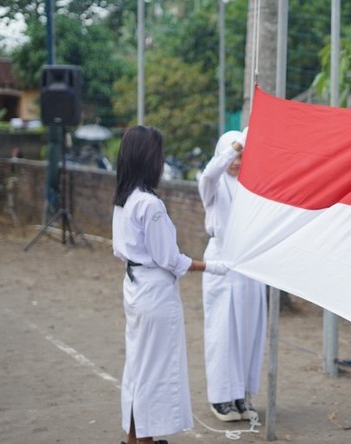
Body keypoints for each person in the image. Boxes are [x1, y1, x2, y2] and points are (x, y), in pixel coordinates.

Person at [112, 125, 228, 444]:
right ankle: (144, 440)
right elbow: (171, 259)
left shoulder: (124, 199)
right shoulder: (150, 205)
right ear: (150, 160)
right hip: (153, 292)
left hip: (136, 287)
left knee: (138, 367)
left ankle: (134, 438)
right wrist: (215, 267)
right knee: (152, 370)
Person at [197, 128, 267, 422]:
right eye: (233, 154)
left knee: (249, 332)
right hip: (221, 265)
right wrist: (238, 144)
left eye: (241, 156)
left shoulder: (253, 185)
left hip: (250, 265)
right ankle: (220, 397)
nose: (236, 161)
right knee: (222, 333)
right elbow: (209, 175)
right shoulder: (212, 184)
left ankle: (241, 394)